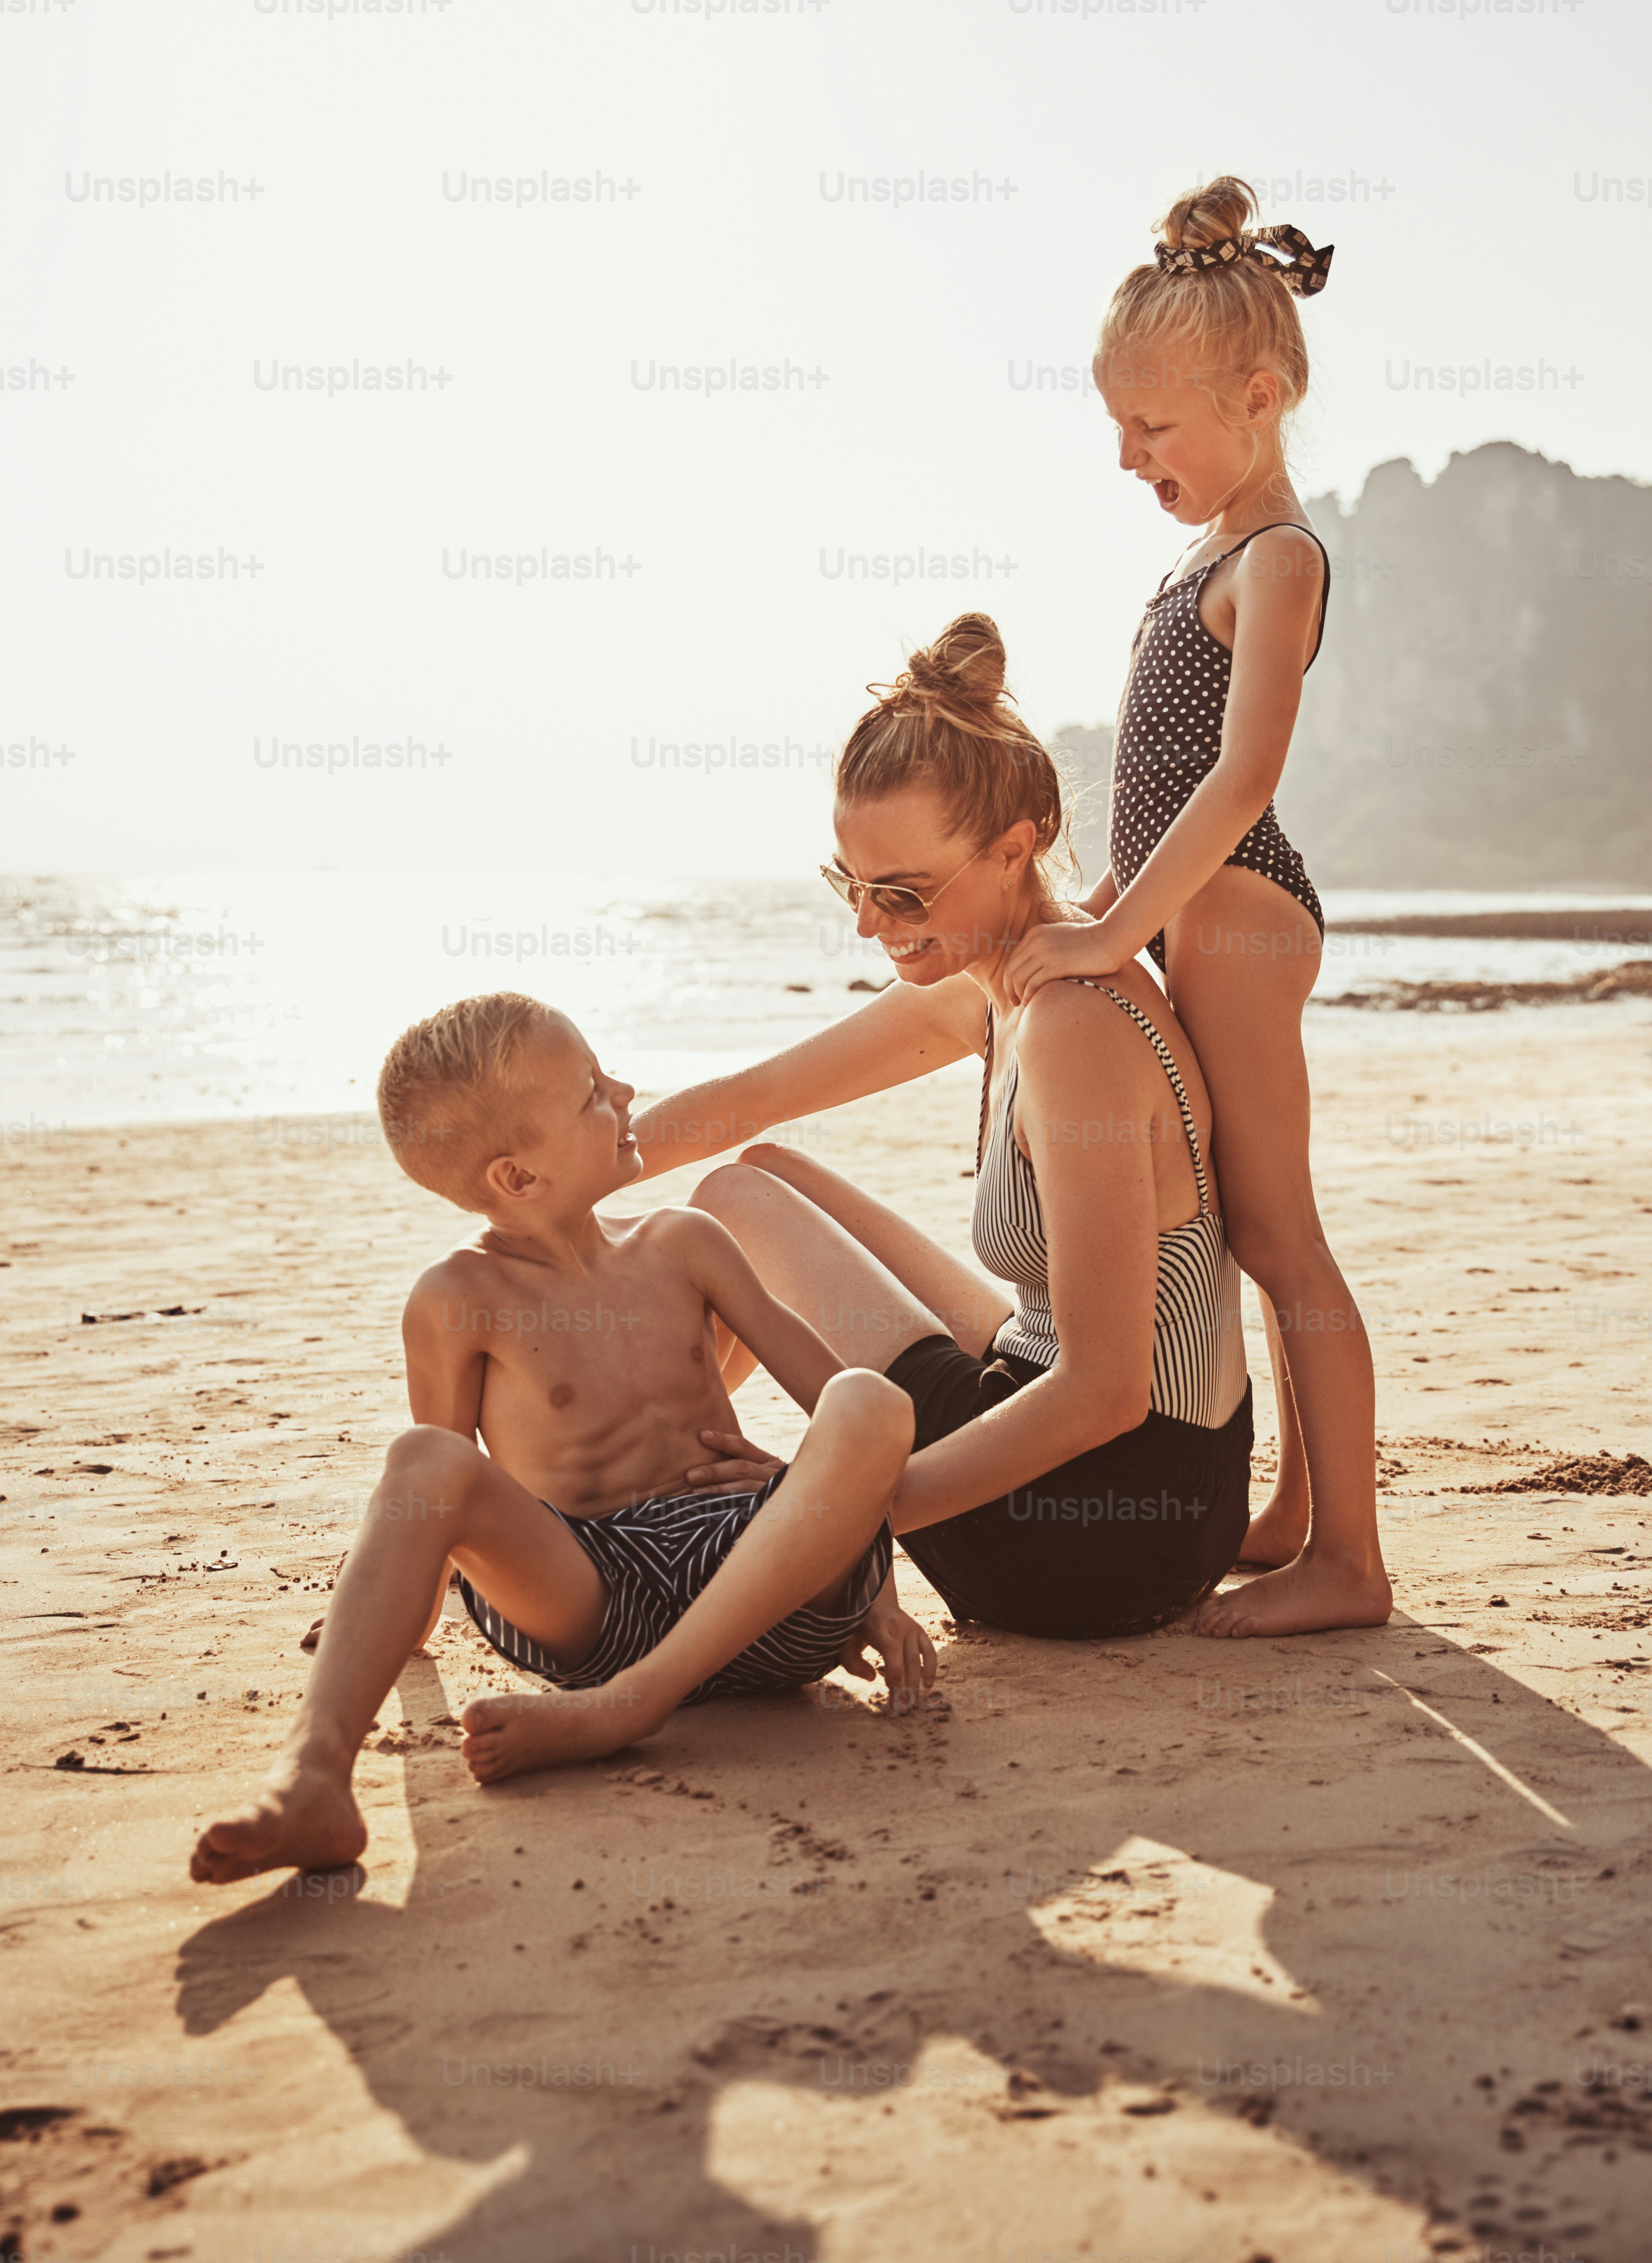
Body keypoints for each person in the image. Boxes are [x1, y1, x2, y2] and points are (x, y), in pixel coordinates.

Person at [190, 995, 928, 1885]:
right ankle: (312, 1779)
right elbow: (441, 1507)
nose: (624, 1091)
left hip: (764, 1589)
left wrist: (876, 1591)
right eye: (591, 1093)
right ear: (517, 1176)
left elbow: (851, 1439)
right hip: (594, 1598)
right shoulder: (459, 1297)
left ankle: (630, 1708)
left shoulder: (685, 1242)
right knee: (422, 1458)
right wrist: (385, 1605)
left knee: (867, 1400)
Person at [632, 613, 1258, 1643]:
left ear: (1014, 849)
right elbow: (753, 1095)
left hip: (1105, 1528)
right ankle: (672, 1480)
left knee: (731, 1202)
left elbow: (1104, 1393)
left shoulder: (1074, 1029)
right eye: (851, 883)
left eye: (902, 892)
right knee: (761, 1169)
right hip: (1152, 1485)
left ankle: (661, 1501)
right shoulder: (995, 982)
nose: (868, 922)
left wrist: (834, 1513)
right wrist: (562, 1174)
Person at [1001, 175, 1390, 1638]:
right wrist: (1098, 904)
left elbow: (1237, 778)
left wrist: (1115, 932)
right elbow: (1153, 792)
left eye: (1151, 426)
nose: (1126, 455)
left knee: (1281, 1236)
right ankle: (1290, 1507)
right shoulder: (1197, 557)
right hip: (1182, 904)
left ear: (1258, 395)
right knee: (1233, 1221)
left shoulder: (1276, 557)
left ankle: (1349, 1557)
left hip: (1236, 914)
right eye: (1117, 427)